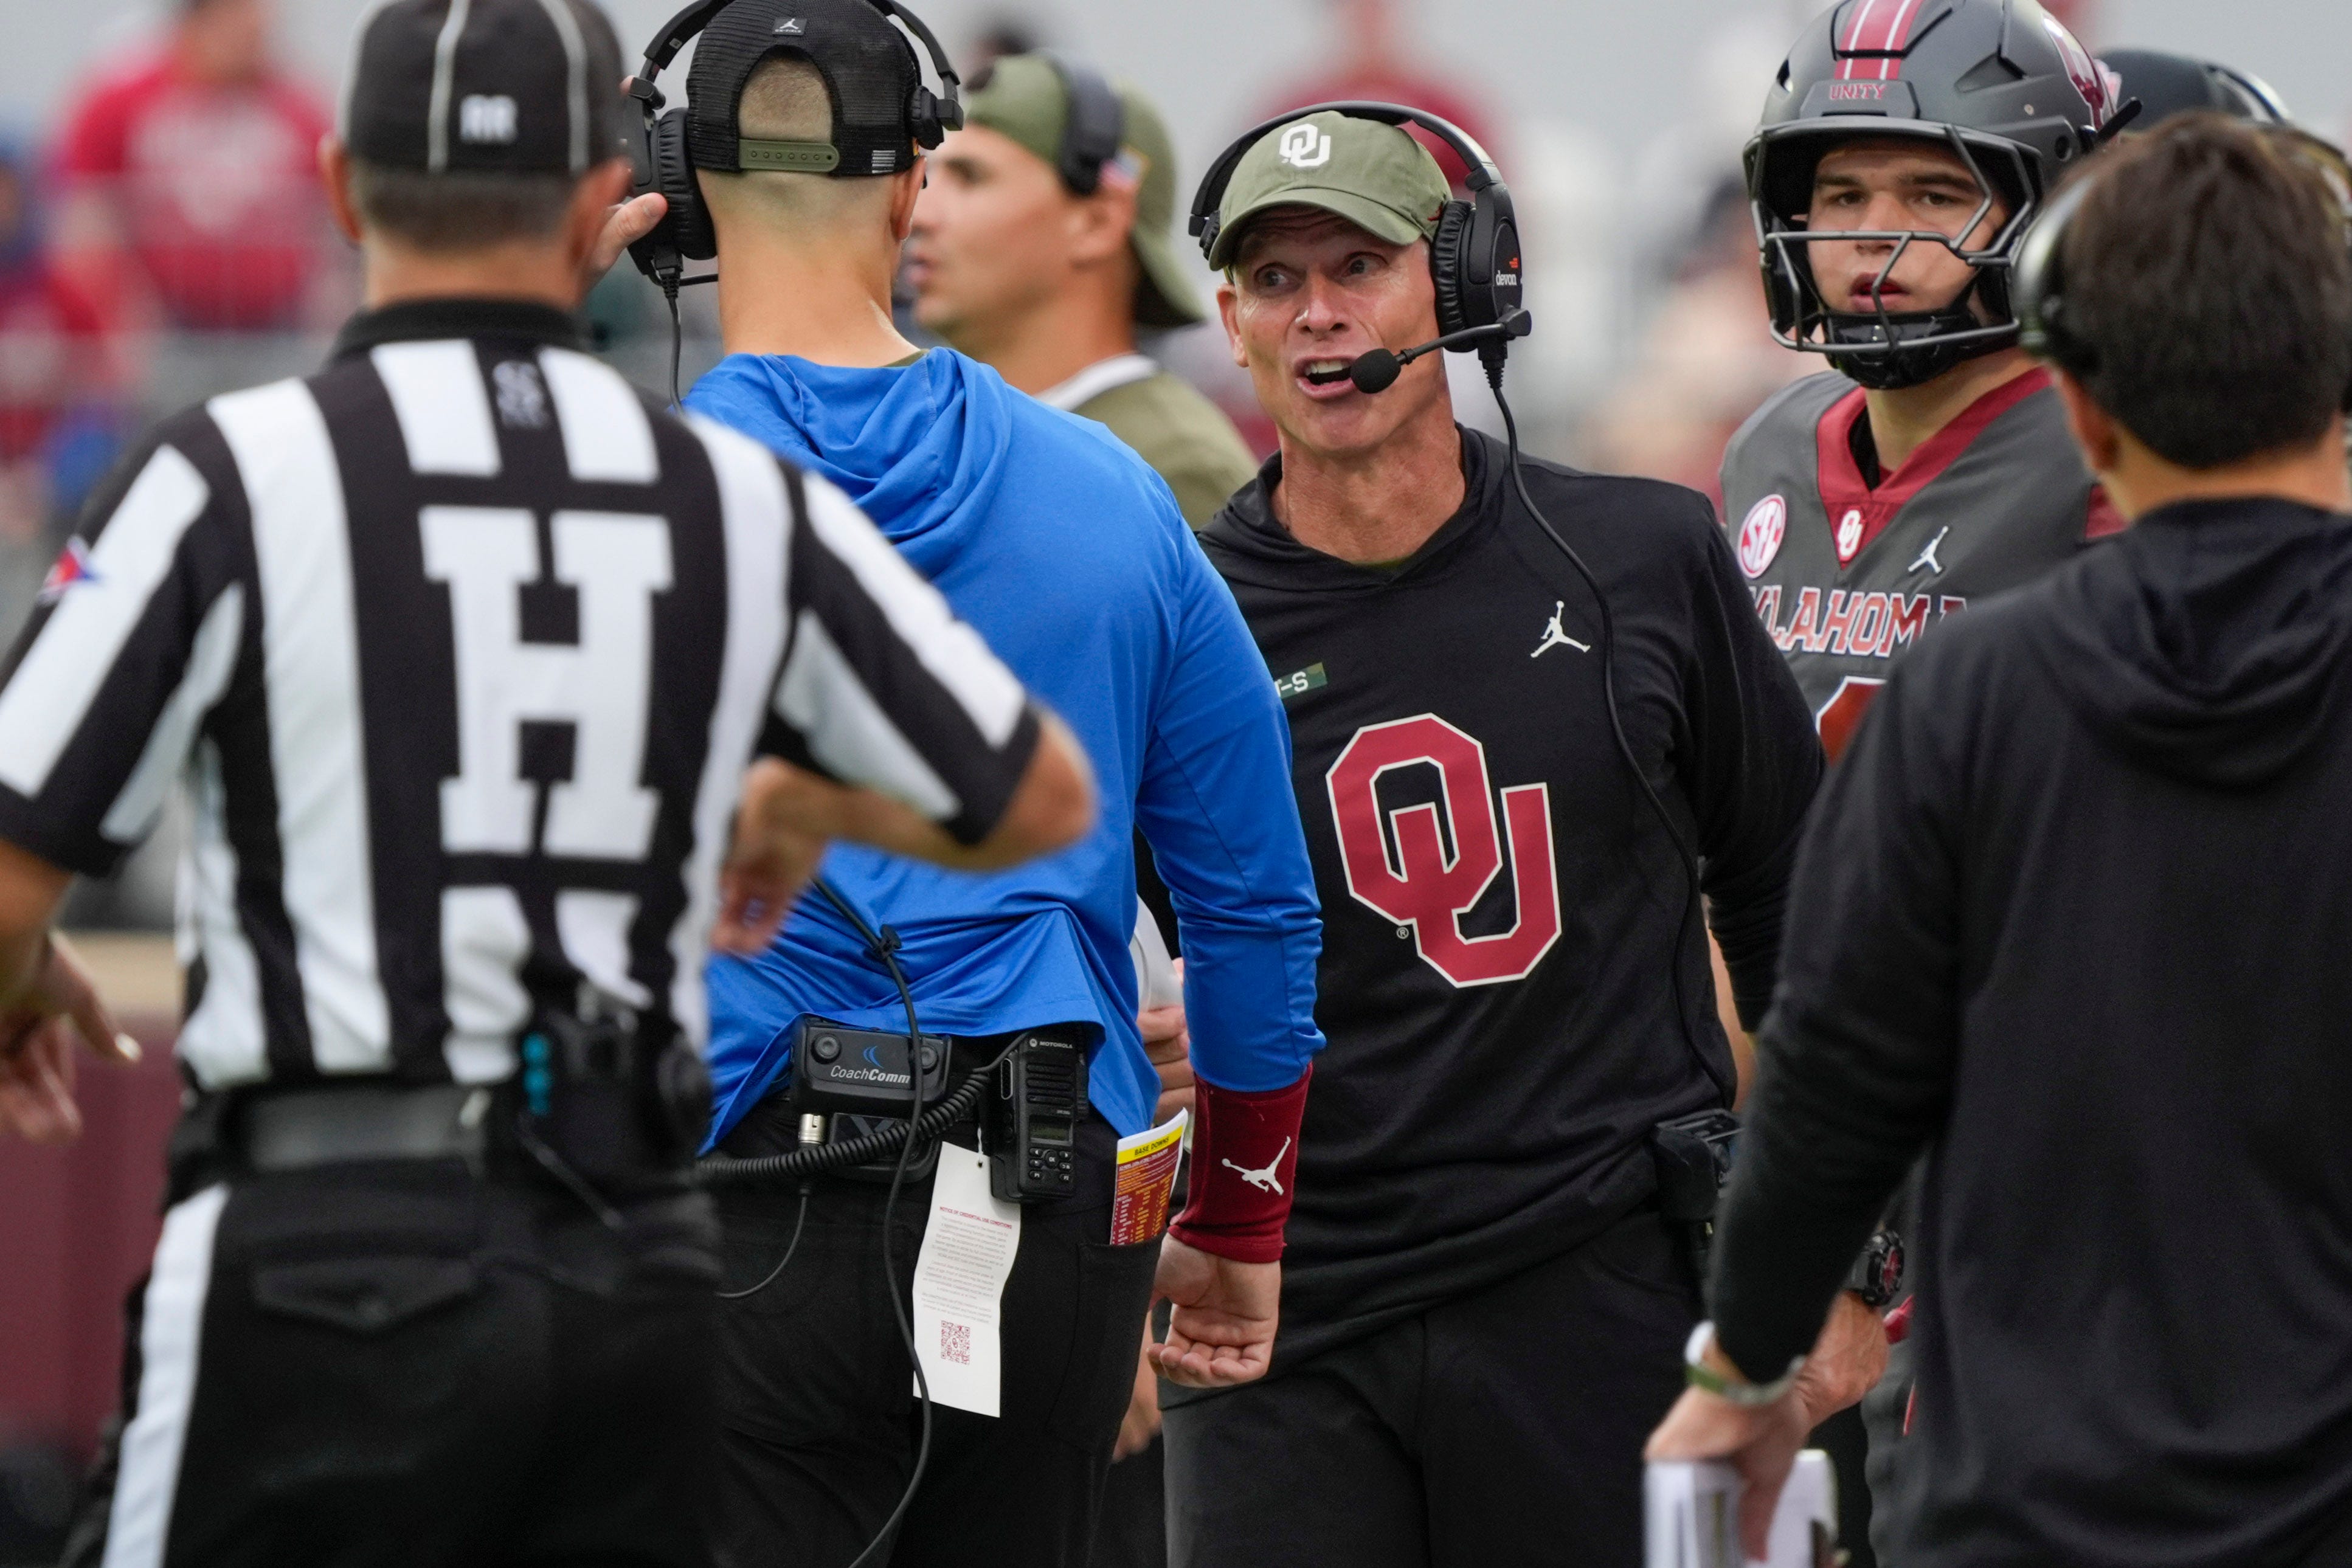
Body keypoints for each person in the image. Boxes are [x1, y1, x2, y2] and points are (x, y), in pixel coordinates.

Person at [9, 3, 1095, 1563]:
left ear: (336, 184)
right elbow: (1034, 794)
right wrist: (807, 805)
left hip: (323, 1237)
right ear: (614, 194)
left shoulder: (230, 473)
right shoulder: (725, 491)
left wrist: (21, 970)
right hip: (627, 1264)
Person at [604, 2, 1327, 1563]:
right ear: (913, 183)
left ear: (676, 186)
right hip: (1049, 1209)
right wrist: (1241, 1229)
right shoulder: (1121, 498)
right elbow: (1255, 911)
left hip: (724, 1193)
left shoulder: (616, 512)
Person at [1648, 112, 2352, 1568]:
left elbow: (1834, 1079)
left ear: (2079, 409)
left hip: (2033, 1466)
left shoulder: (1969, 690)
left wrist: (1742, 1366)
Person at [1159, 106, 1856, 1567]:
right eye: (1274, 279)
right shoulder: (1180, 613)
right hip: (1296, 1309)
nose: (1319, 313)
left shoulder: (1644, 558)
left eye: (1359, 262)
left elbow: (1801, 916)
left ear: (1466, 279)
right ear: (1227, 317)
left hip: (1595, 1282)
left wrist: (1840, 1263)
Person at [905, 52, 1258, 528]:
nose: (920, 216)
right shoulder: (942, 430)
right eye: (932, 175)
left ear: (1097, 222)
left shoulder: (1177, 468)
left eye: (971, 178)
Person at [50, 0, 334, 332]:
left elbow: (326, 220)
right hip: (161, 321)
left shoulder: (297, 106)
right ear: (197, 23)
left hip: (278, 321)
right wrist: (110, 313)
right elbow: (88, 219)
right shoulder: (122, 100)